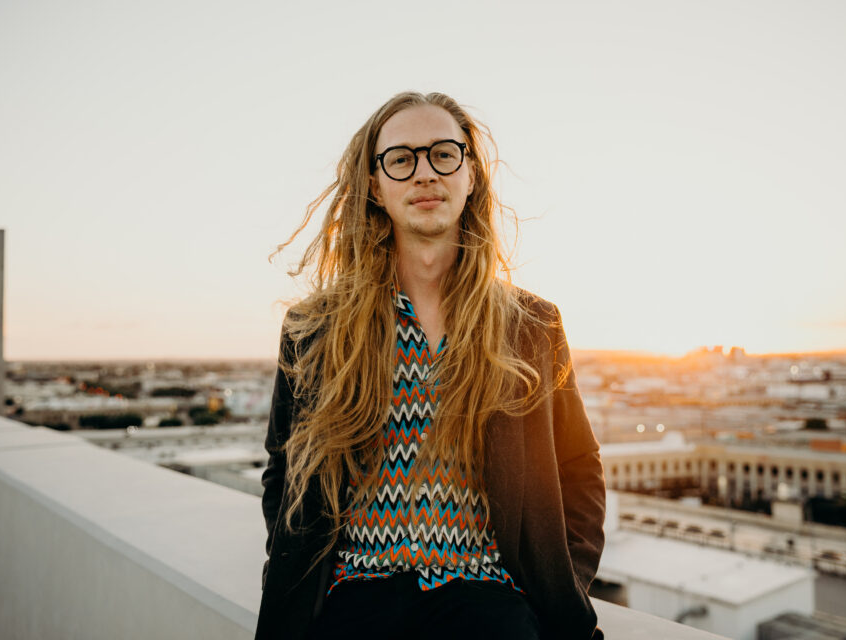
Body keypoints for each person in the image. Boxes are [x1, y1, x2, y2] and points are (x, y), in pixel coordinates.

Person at [254, 91, 606, 640]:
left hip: (492, 600)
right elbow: (282, 472)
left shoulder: (531, 325)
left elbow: (580, 468)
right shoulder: (315, 329)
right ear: (374, 185)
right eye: (401, 159)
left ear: (471, 176)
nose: (424, 174)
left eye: (444, 154)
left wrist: (565, 583)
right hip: (353, 600)